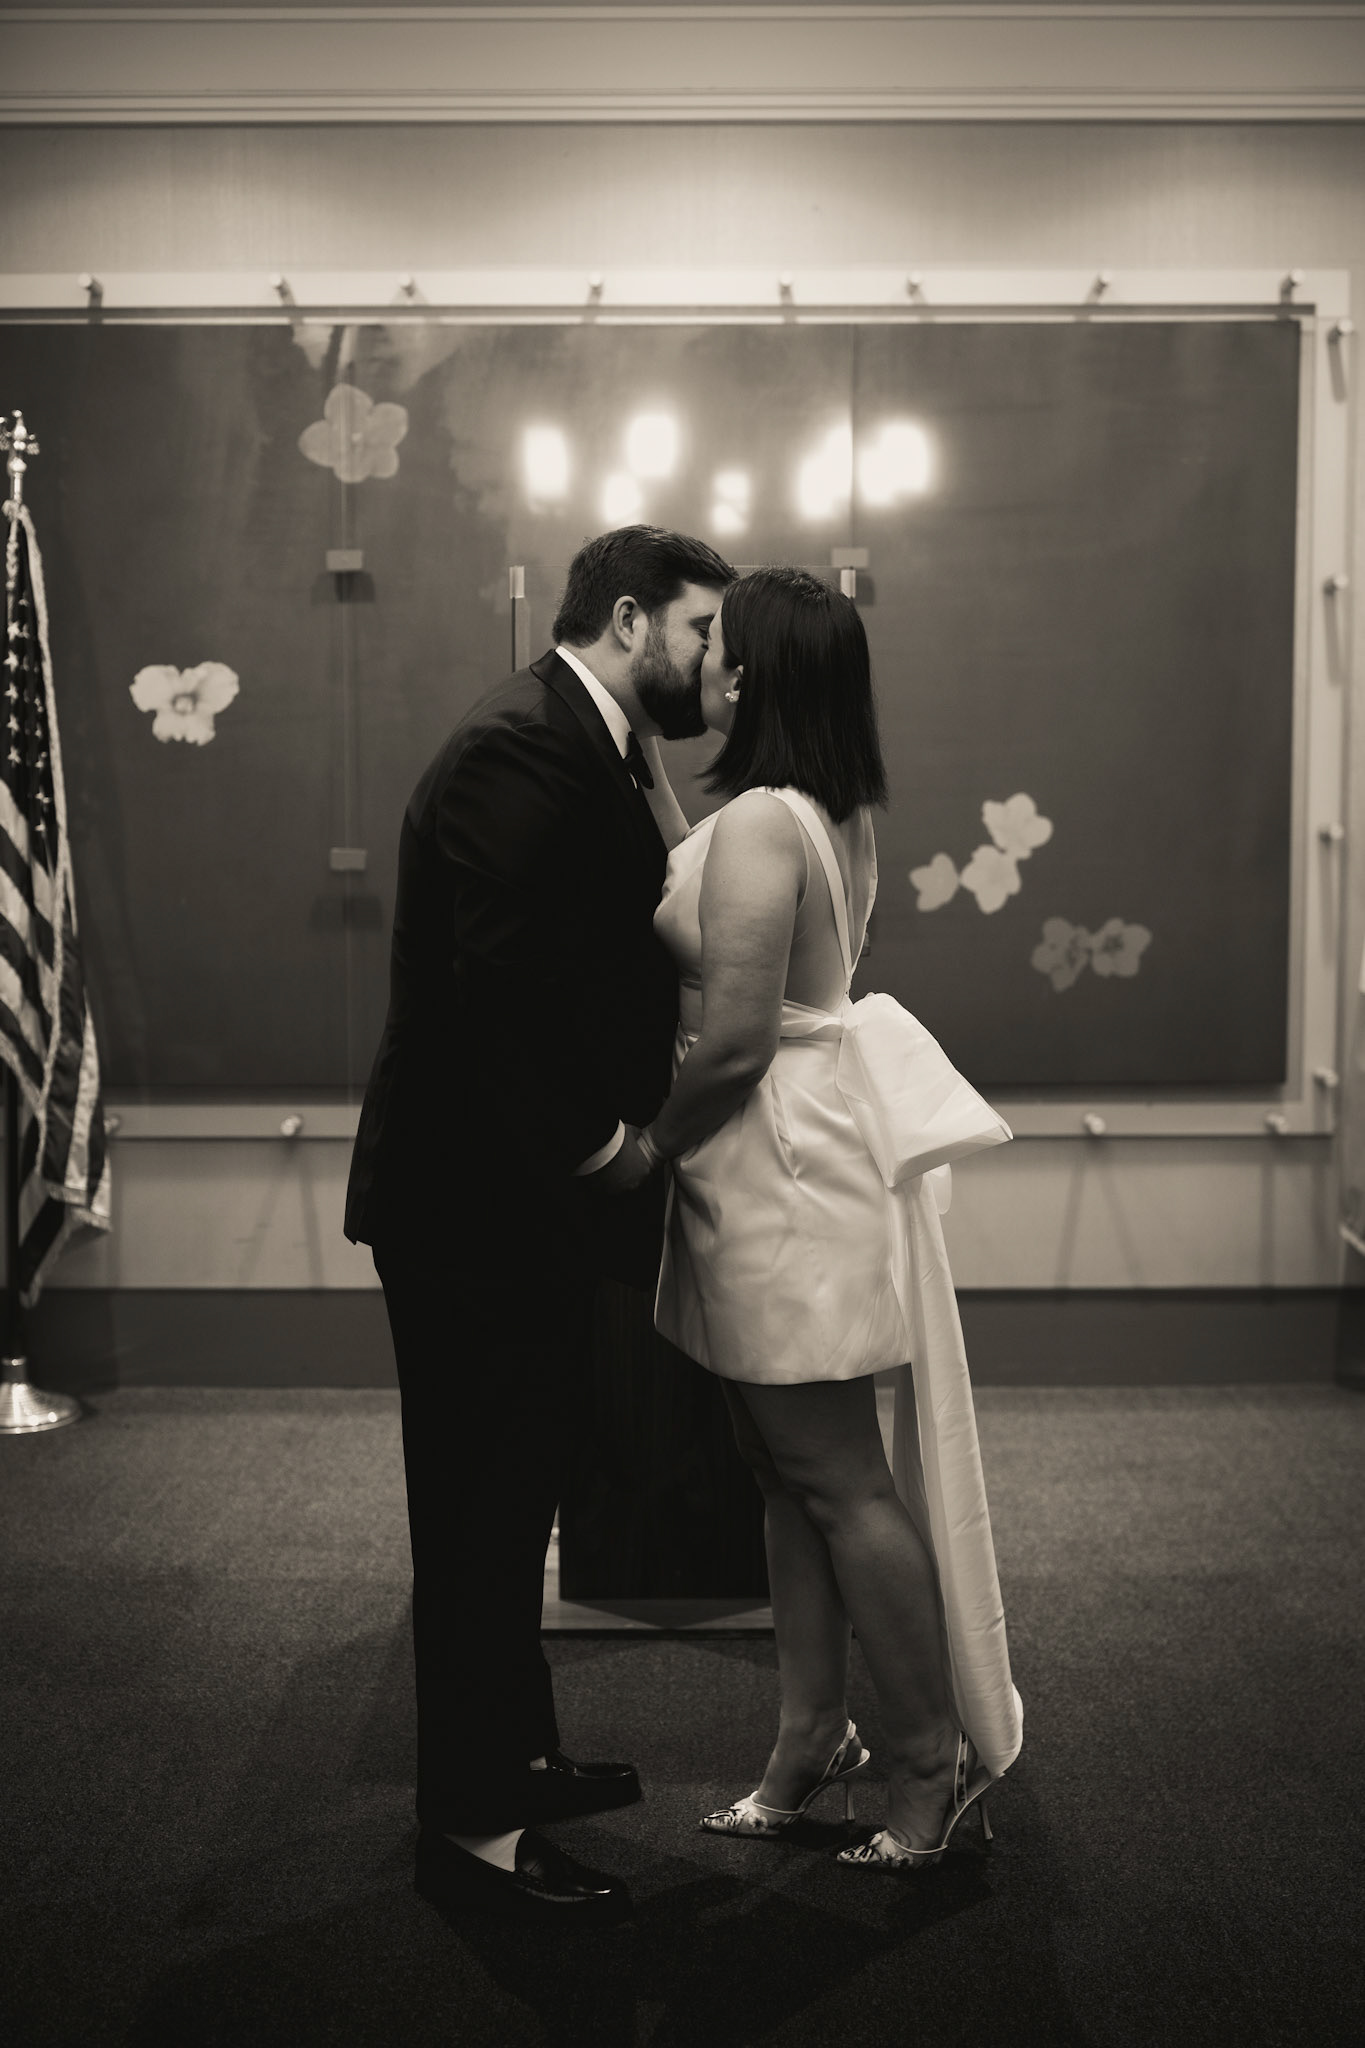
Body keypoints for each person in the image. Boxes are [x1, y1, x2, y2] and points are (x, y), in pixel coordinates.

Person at [345, 525, 734, 1925]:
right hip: (476, 1207)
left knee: (517, 1502)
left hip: (521, 1211)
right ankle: (474, 1827)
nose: (713, 662)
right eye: (700, 632)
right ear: (629, 620)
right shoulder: (521, 741)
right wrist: (604, 1148)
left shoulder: (602, 740)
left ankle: (515, 1758)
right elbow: (495, 990)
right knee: (477, 1515)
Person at [636, 567, 1023, 1868]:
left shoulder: (758, 823)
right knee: (789, 1476)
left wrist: (648, 1149)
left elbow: (738, 1036)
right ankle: (812, 1738)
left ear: (743, 677)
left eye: (712, 645)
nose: (696, 661)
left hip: (774, 1166)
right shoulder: (823, 808)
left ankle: (926, 1763)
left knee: (839, 1482)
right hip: (795, 1158)